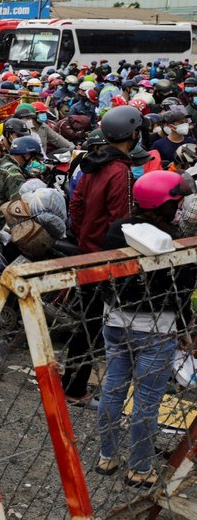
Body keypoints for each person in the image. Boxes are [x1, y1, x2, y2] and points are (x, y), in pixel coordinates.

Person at [96, 171, 196, 487]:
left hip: (114, 322)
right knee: (147, 400)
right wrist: (185, 329)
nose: (180, 207)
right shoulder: (176, 243)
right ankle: (139, 468)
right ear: (164, 204)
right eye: (177, 201)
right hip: (156, 331)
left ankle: (107, 456)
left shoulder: (116, 230)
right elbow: (181, 294)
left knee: (112, 388)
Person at [67, 106, 143, 405]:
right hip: (104, 257)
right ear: (131, 134)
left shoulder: (92, 164)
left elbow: (76, 206)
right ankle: (74, 389)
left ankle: (72, 382)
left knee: (85, 321)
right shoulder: (120, 171)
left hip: (86, 250)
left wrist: (85, 235)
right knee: (92, 324)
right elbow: (122, 220)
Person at [0, 136, 42, 241]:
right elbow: (22, 204)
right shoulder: (13, 174)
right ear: (26, 155)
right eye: (33, 158)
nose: (33, 161)